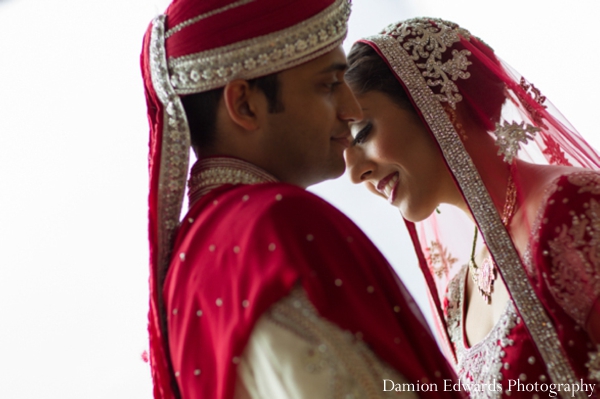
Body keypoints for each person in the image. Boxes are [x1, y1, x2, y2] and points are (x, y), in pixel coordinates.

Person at [140, 3, 463, 399]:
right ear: (244, 104)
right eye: (328, 85)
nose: (352, 109)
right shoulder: (275, 225)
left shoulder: (191, 260)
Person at [344, 17, 600, 398]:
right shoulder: (458, 298)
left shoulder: (569, 210)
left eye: (363, 134)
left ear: (437, 103)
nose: (354, 172)